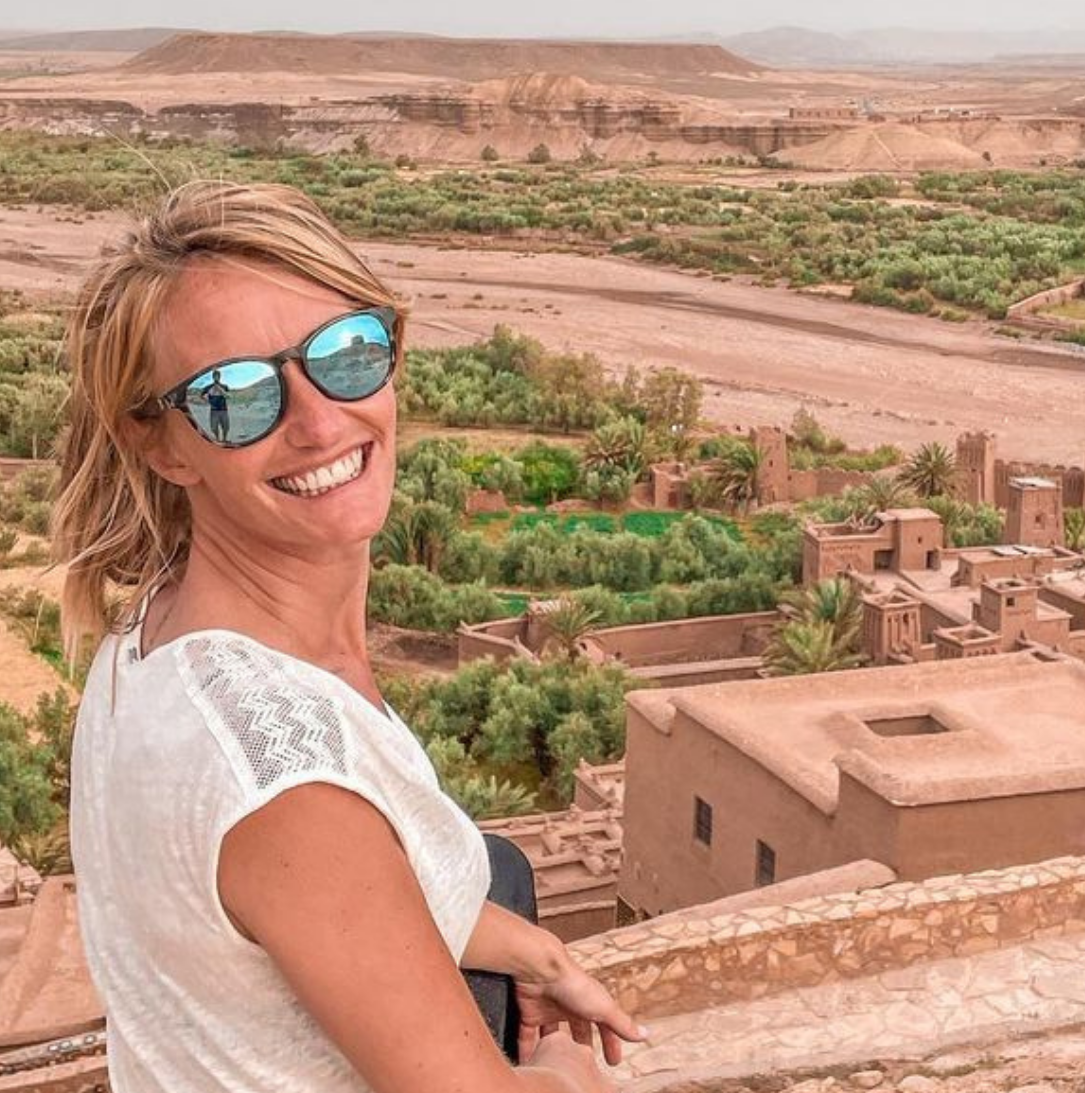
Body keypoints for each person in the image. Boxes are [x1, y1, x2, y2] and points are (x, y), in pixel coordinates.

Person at [55, 181, 644, 1093]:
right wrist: (569, 1075)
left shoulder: (154, 629)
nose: (321, 421)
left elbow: (335, 911)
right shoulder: (286, 782)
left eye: (347, 353)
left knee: (499, 868)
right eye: (235, 398)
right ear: (165, 446)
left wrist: (539, 956)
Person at [200, 371, 232, 442]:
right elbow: (201, 395)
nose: (216, 377)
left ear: (220, 377)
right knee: (214, 428)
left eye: (218, 376)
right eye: (215, 376)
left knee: (226, 427)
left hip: (223, 410)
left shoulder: (224, 386)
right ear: (213, 377)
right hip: (214, 410)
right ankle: (217, 438)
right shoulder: (208, 387)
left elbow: (229, 396)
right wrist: (208, 401)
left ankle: (224, 439)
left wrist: (220, 390)